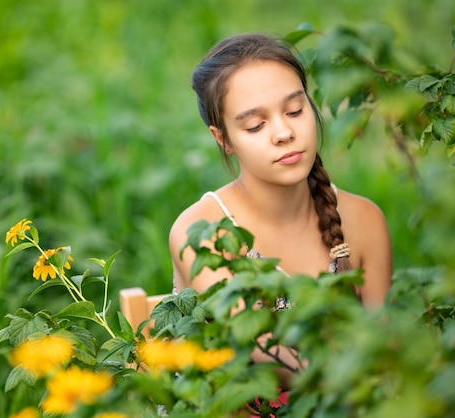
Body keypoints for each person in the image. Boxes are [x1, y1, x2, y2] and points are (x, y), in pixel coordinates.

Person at [168, 31, 393, 394]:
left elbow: (384, 344)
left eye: (295, 110)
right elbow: (264, 352)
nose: (284, 132)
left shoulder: (363, 220)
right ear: (222, 139)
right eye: (256, 125)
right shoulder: (202, 231)